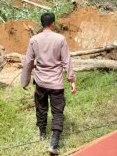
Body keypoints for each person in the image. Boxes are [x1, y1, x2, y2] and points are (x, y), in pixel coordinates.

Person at [21, 13, 76, 155]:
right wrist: (71, 80)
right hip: (56, 83)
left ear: (42, 24)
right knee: (58, 112)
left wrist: (25, 81)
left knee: (41, 107)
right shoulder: (60, 39)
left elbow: (28, 61)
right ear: (53, 23)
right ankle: (54, 143)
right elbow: (67, 61)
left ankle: (41, 134)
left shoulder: (34, 40)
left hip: (40, 82)